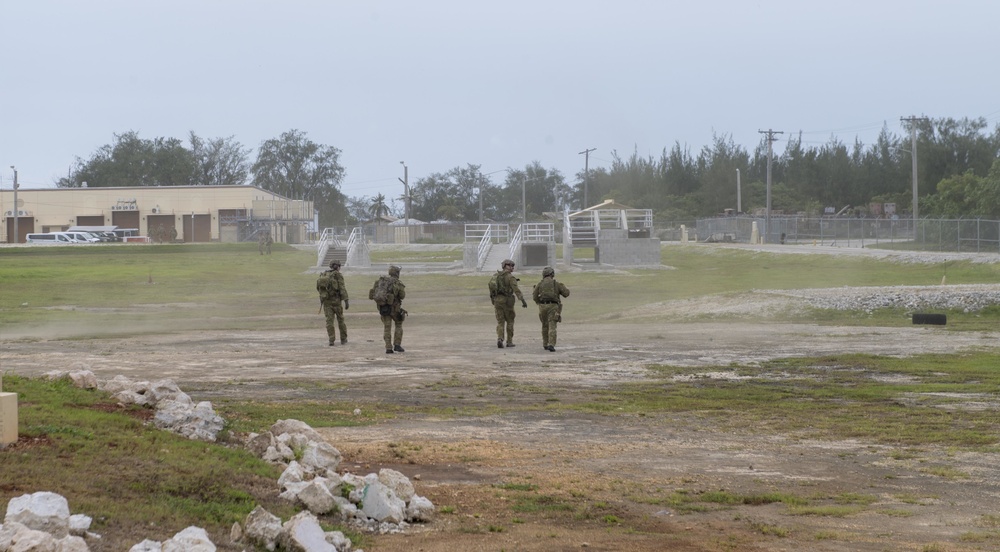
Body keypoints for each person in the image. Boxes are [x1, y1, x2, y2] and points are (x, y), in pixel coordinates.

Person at [532, 266, 570, 352]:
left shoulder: (540, 284)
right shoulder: (556, 284)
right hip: (553, 307)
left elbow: (534, 296)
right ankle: (551, 344)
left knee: (544, 326)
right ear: (552, 274)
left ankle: (545, 344)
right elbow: (566, 294)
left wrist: (539, 303)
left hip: (542, 307)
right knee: (552, 325)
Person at [369, 265, 406, 354]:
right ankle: (397, 345)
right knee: (398, 324)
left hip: (383, 308)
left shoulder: (380, 282)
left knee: (387, 327)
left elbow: (373, 293)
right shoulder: (397, 283)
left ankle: (388, 347)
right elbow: (402, 296)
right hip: (394, 309)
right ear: (397, 273)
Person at [491, 259, 527, 348]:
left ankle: (500, 338)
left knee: (500, 322)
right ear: (506, 266)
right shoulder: (510, 278)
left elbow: (491, 290)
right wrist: (522, 300)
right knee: (510, 321)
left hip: (497, 301)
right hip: (507, 302)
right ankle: (509, 341)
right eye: (511, 266)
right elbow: (516, 290)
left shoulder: (495, 276)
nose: (512, 267)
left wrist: (493, 300)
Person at [317, 260, 349, 346]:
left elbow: (319, 289)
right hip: (336, 302)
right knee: (341, 320)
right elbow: (342, 288)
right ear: (338, 266)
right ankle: (343, 339)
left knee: (329, 322)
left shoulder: (324, 274)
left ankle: (331, 340)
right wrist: (346, 300)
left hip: (326, 302)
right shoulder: (338, 275)